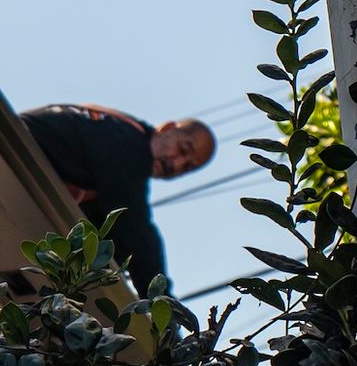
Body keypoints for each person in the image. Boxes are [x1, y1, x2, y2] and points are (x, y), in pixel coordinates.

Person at [19, 101, 216, 292]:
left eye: (186, 167)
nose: (176, 164)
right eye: (182, 149)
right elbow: (136, 232)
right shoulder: (127, 143)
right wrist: (160, 303)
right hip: (11, 152)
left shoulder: (116, 140)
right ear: (167, 128)